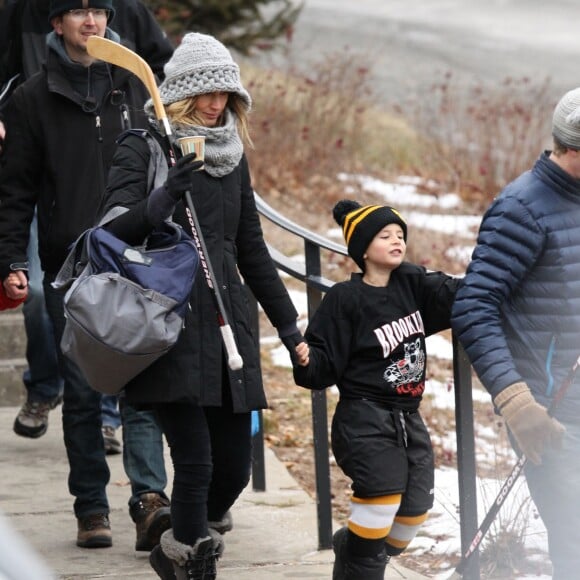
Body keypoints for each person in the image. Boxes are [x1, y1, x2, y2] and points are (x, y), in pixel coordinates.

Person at [100, 32, 306, 579]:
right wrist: (158, 203)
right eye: (208, 94)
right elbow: (109, 232)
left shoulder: (233, 158)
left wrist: (290, 328)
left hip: (227, 326)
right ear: (182, 95)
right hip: (168, 320)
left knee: (234, 471)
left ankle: (180, 546)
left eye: (228, 95)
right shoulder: (143, 146)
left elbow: (253, 250)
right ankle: (191, 563)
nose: (218, 105)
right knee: (194, 464)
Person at [0, 0, 170, 551]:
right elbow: (15, 191)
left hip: (138, 257)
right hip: (70, 264)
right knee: (80, 391)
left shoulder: (137, 84)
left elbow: (166, 164)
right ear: (57, 24)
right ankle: (91, 507)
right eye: (77, 12)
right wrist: (12, 261)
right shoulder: (32, 99)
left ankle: (150, 502)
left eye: (98, 10)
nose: (90, 21)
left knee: (143, 387)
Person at [291, 200, 459, 580]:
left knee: (414, 510)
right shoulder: (344, 299)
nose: (397, 240)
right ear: (363, 249)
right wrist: (306, 360)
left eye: (400, 234)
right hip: (364, 417)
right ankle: (360, 563)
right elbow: (323, 357)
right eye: (385, 236)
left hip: (408, 417)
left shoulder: (412, 284)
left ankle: (352, 548)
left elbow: (453, 294)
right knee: (381, 500)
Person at [451, 88, 580, 579]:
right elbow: (473, 305)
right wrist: (517, 403)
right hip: (555, 417)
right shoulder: (521, 209)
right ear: (572, 148)